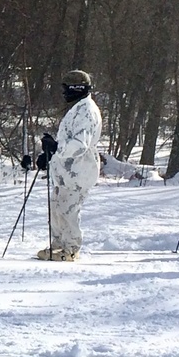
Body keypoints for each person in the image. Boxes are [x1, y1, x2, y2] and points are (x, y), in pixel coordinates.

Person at [36, 69, 102, 261]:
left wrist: (57, 147)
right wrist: (50, 154)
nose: (63, 93)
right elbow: (67, 142)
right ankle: (58, 245)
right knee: (57, 208)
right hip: (65, 171)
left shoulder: (87, 111)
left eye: (65, 88)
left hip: (80, 170)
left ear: (76, 88)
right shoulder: (77, 108)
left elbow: (80, 144)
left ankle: (71, 248)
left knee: (68, 209)